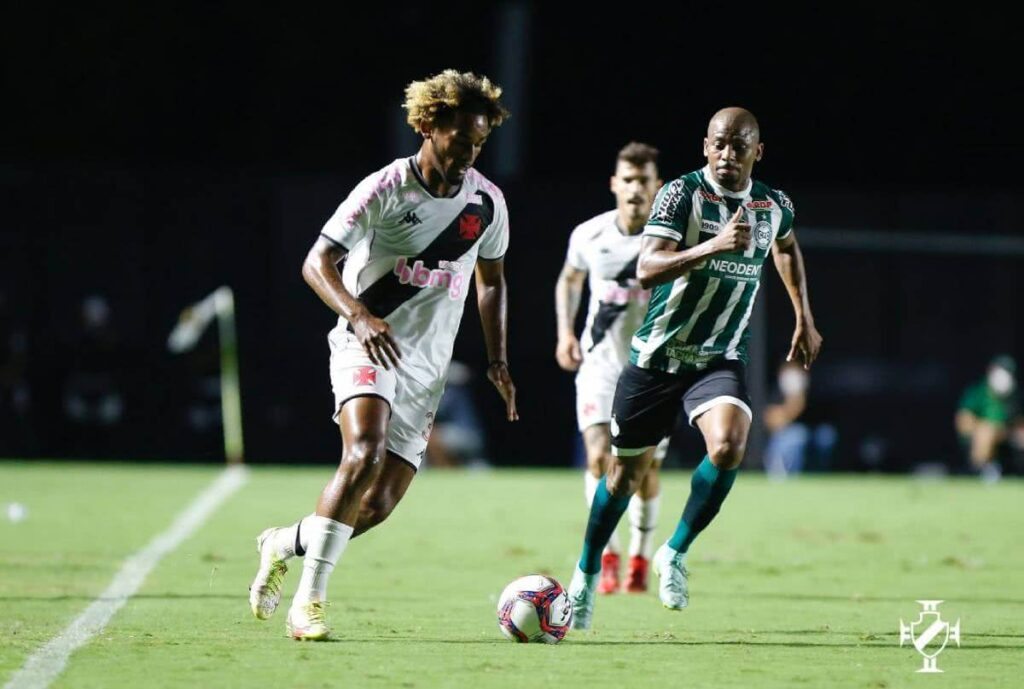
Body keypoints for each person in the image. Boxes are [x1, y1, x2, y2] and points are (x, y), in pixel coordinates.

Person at [248, 70, 518, 640]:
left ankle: (284, 541)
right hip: (364, 340)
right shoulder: (385, 188)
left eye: (479, 142)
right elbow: (316, 262)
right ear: (427, 126)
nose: (470, 152)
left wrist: (498, 360)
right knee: (364, 452)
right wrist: (359, 314)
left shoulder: (487, 205)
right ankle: (308, 605)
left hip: (426, 366)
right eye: (460, 139)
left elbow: (491, 281)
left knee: (376, 506)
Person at [567, 107, 823, 629]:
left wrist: (804, 316)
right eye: (720, 144)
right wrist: (712, 246)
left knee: (729, 445)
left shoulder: (774, 205)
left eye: (739, 145)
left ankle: (674, 553)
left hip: (719, 356)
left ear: (759, 151)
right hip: (657, 358)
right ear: (705, 147)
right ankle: (586, 574)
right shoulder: (681, 194)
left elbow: (788, 248)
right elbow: (646, 267)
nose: (728, 154)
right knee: (623, 479)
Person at [555, 142, 668, 594]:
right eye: (628, 179)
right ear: (614, 184)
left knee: (642, 472)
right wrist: (565, 332)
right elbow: (570, 278)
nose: (636, 188)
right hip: (600, 368)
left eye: (644, 180)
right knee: (599, 456)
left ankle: (640, 557)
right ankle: (607, 553)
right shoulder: (590, 235)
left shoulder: (674, 239)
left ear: (657, 186)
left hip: (653, 372)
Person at [763, 360, 837, 478]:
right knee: (796, 436)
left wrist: (800, 396)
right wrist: (794, 402)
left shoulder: (813, 389)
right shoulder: (776, 392)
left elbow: (824, 416)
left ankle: (819, 476)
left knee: (826, 435)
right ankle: (785, 477)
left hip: (813, 434)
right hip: (786, 437)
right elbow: (772, 422)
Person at [955, 355, 1023, 482]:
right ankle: (980, 471)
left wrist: (1009, 432)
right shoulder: (977, 392)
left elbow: (1018, 422)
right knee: (986, 432)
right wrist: (988, 429)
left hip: (1008, 438)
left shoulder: (1016, 395)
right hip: (982, 440)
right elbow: (963, 423)